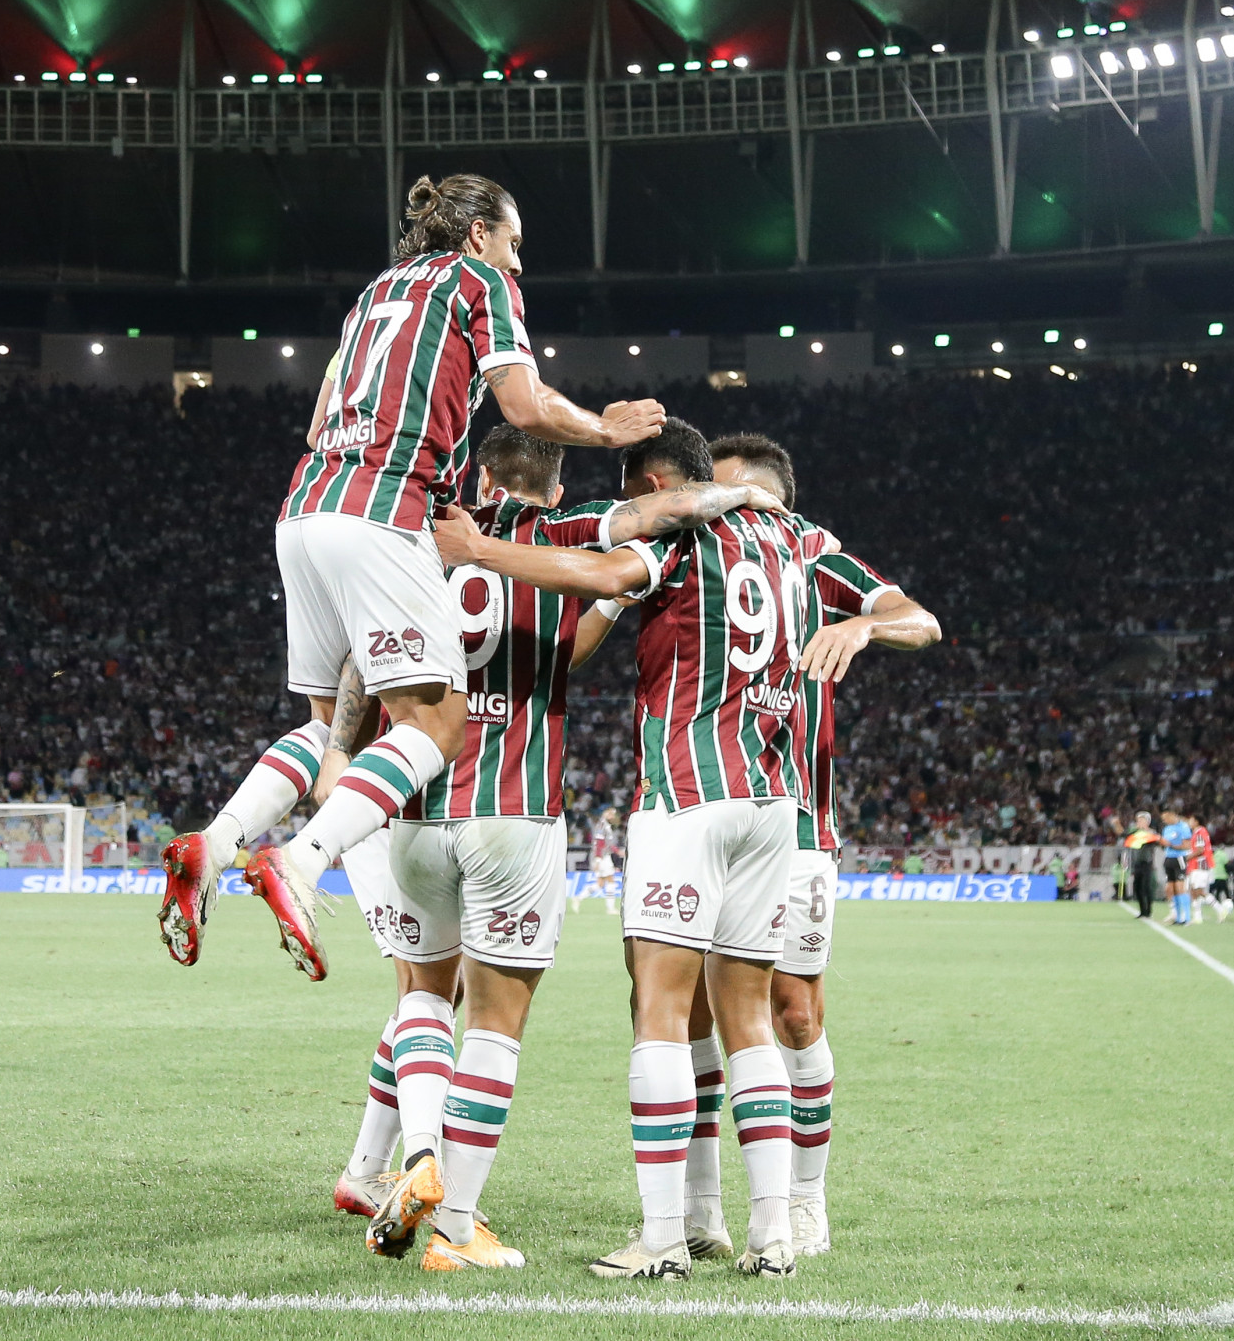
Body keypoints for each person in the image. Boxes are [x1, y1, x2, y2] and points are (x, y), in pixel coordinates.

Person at [156, 172, 665, 977]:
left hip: (304, 507)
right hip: (384, 514)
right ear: (478, 236)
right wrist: (606, 427)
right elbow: (525, 406)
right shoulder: (481, 283)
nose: (519, 263)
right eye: (514, 242)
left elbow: (322, 416)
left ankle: (214, 841)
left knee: (334, 731)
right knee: (433, 728)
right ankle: (299, 860)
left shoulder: (374, 294)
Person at [347, 424, 775, 1271]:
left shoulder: (417, 538)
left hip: (413, 804)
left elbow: (360, 660)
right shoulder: (561, 529)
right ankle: (457, 1226)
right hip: (515, 808)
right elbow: (671, 506)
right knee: (495, 1027)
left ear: (481, 471)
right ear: (552, 481)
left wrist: (336, 759)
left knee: (426, 996)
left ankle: (408, 1151)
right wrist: (744, 497)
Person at [702, 433, 940, 1262]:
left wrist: (865, 629)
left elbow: (921, 619)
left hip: (797, 823)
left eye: (734, 496)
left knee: (794, 1011)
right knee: (687, 1010)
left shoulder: (813, 558)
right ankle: (699, 1208)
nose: (720, 509)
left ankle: (806, 1199)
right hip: (698, 808)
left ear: (776, 502)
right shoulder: (694, 551)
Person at [1187, 817, 1224, 923]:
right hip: (1197, 865)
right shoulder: (1199, 832)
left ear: (1196, 821)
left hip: (1201, 865)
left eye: (1191, 820)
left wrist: (1188, 857)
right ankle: (1197, 916)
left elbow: (1200, 850)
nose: (1189, 822)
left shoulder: (1199, 833)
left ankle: (1220, 909)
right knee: (1194, 890)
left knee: (1199, 891)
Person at [1125, 813, 1161, 920]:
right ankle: (1142, 911)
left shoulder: (1151, 832)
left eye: (1141, 820)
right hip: (1137, 863)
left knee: (1146, 887)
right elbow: (1125, 836)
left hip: (1147, 862)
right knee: (1137, 887)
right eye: (1138, 820)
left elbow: (1154, 841)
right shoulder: (1135, 832)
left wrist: (1144, 833)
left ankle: (1148, 911)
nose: (1139, 822)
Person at [1159, 809, 1192, 925]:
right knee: (1170, 889)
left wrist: (1171, 845)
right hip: (1169, 858)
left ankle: (1187, 917)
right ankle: (1177, 917)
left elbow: (1187, 845)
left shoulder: (1183, 827)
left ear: (1172, 815)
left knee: (1180, 888)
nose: (1164, 821)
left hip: (1179, 859)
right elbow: (1165, 844)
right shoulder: (1166, 829)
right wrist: (1162, 843)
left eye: (1166, 818)